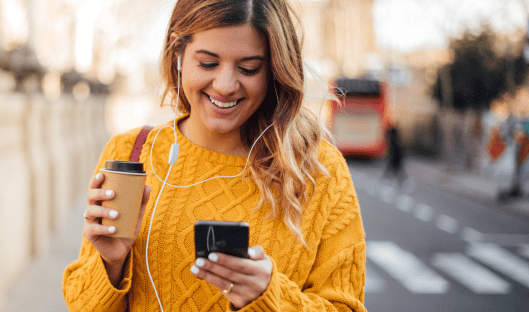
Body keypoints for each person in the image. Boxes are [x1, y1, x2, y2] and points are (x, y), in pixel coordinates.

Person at [63, 0, 367, 311]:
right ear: (178, 53)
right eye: (208, 63)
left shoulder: (317, 170)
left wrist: (269, 298)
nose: (225, 86)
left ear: (273, 70)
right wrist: (111, 263)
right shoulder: (131, 153)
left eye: (249, 68)